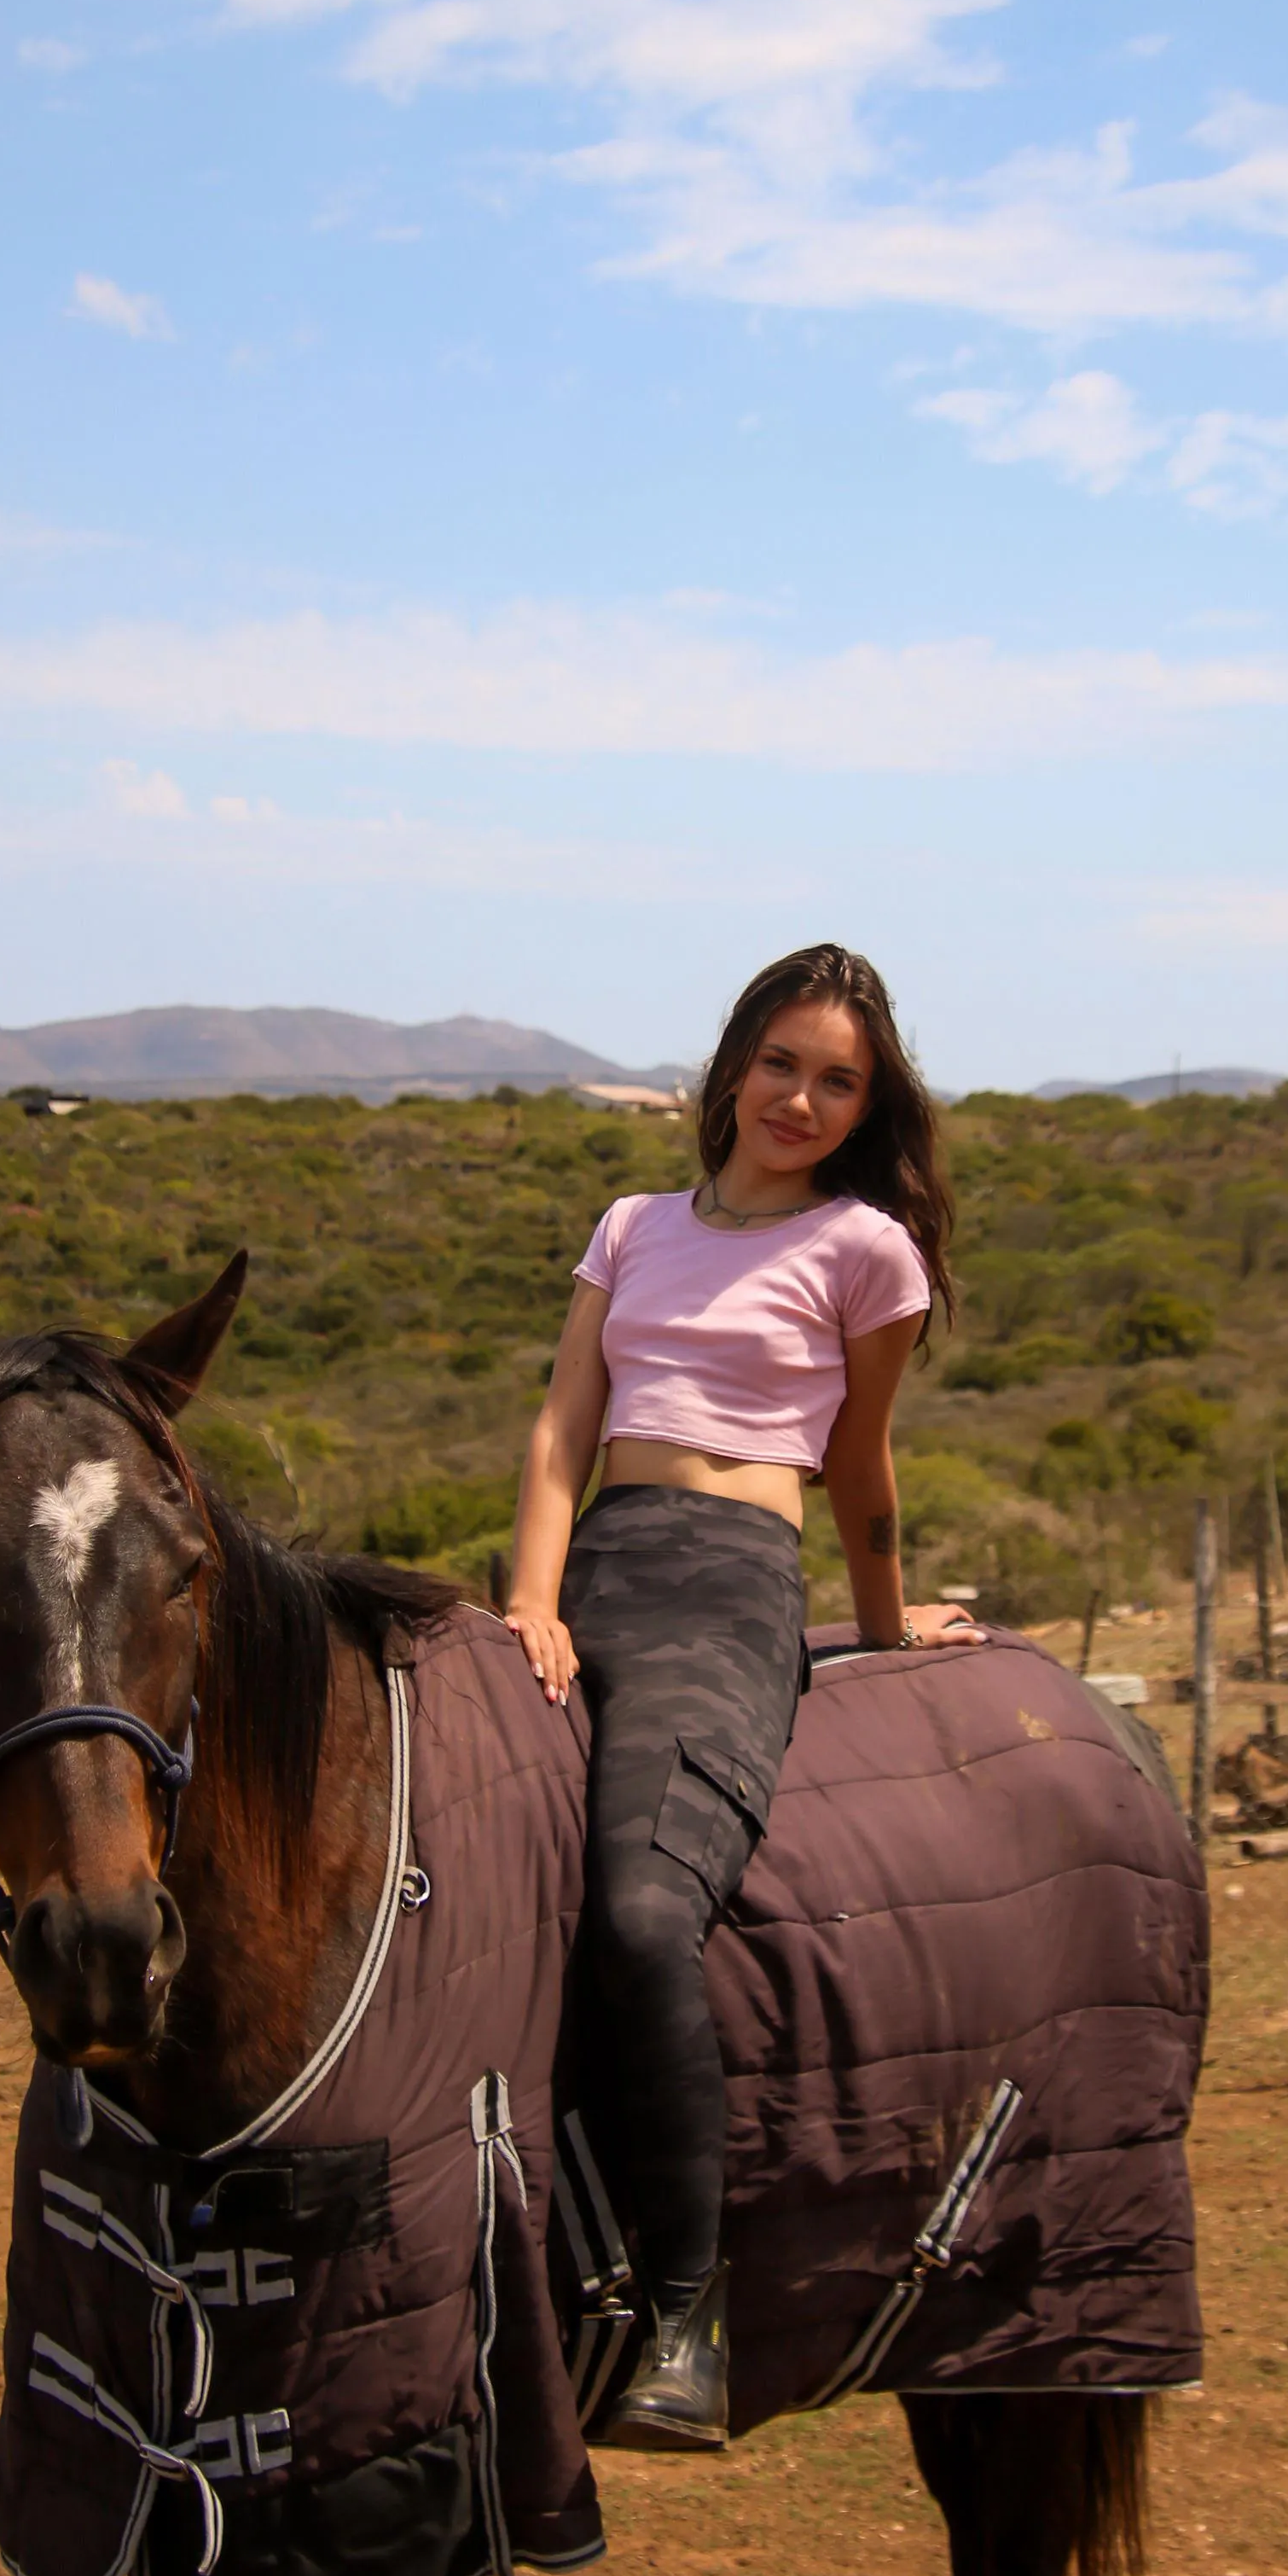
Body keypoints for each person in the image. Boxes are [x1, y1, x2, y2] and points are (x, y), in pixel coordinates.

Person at [503, 943, 984, 2450]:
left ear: (866, 1105)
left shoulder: (866, 1251)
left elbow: (860, 1464)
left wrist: (888, 1626)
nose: (802, 1097)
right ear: (733, 1066)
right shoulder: (634, 1224)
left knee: (646, 1913)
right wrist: (526, 1598)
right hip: (592, 1570)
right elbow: (560, 1431)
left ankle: (688, 2307)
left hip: (732, 1580)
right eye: (783, 1062)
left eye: (839, 1080)